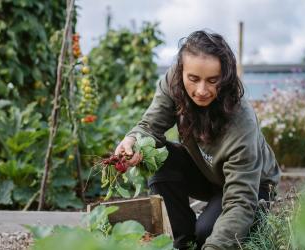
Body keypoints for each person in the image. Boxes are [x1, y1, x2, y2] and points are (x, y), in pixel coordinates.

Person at [114, 30, 280, 250]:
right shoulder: (174, 82)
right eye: (193, 79)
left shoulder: (241, 123)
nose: (201, 90)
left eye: (213, 81)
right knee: (158, 156)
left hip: (252, 186)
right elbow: (150, 127)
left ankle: (204, 235)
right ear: (182, 72)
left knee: (207, 234)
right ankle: (181, 242)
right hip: (208, 173)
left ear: (226, 78)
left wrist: (215, 246)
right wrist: (133, 141)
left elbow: (240, 201)